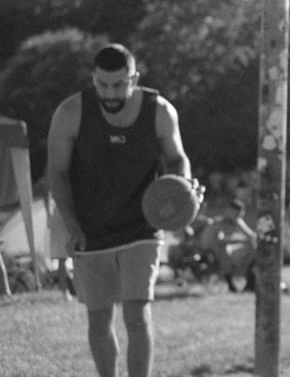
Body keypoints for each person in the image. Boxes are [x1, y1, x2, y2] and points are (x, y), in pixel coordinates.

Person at [47, 44, 200, 377]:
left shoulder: (159, 111)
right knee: (99, 317)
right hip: (89, 228)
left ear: (135, 79)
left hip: (142, 225)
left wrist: (182, 188)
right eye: (103, 85)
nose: (110, 92)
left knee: (136, 312)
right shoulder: (71, 112)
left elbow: (177, 159)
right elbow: (56, 173)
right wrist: (72, 226)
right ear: (94, 79)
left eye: (119, 84)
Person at [204, 199, 257, 292]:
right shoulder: (217, 224)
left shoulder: (237, 222)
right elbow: (217, 242)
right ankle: (231, 285)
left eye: (239, 215)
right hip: (210, 253)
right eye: (236, 214)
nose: (237, 217)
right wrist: (239, 240)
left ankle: (250, 281)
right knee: (224, 250)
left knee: (252, 248)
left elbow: (251, 237)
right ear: (228, 211)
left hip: (227, 253)